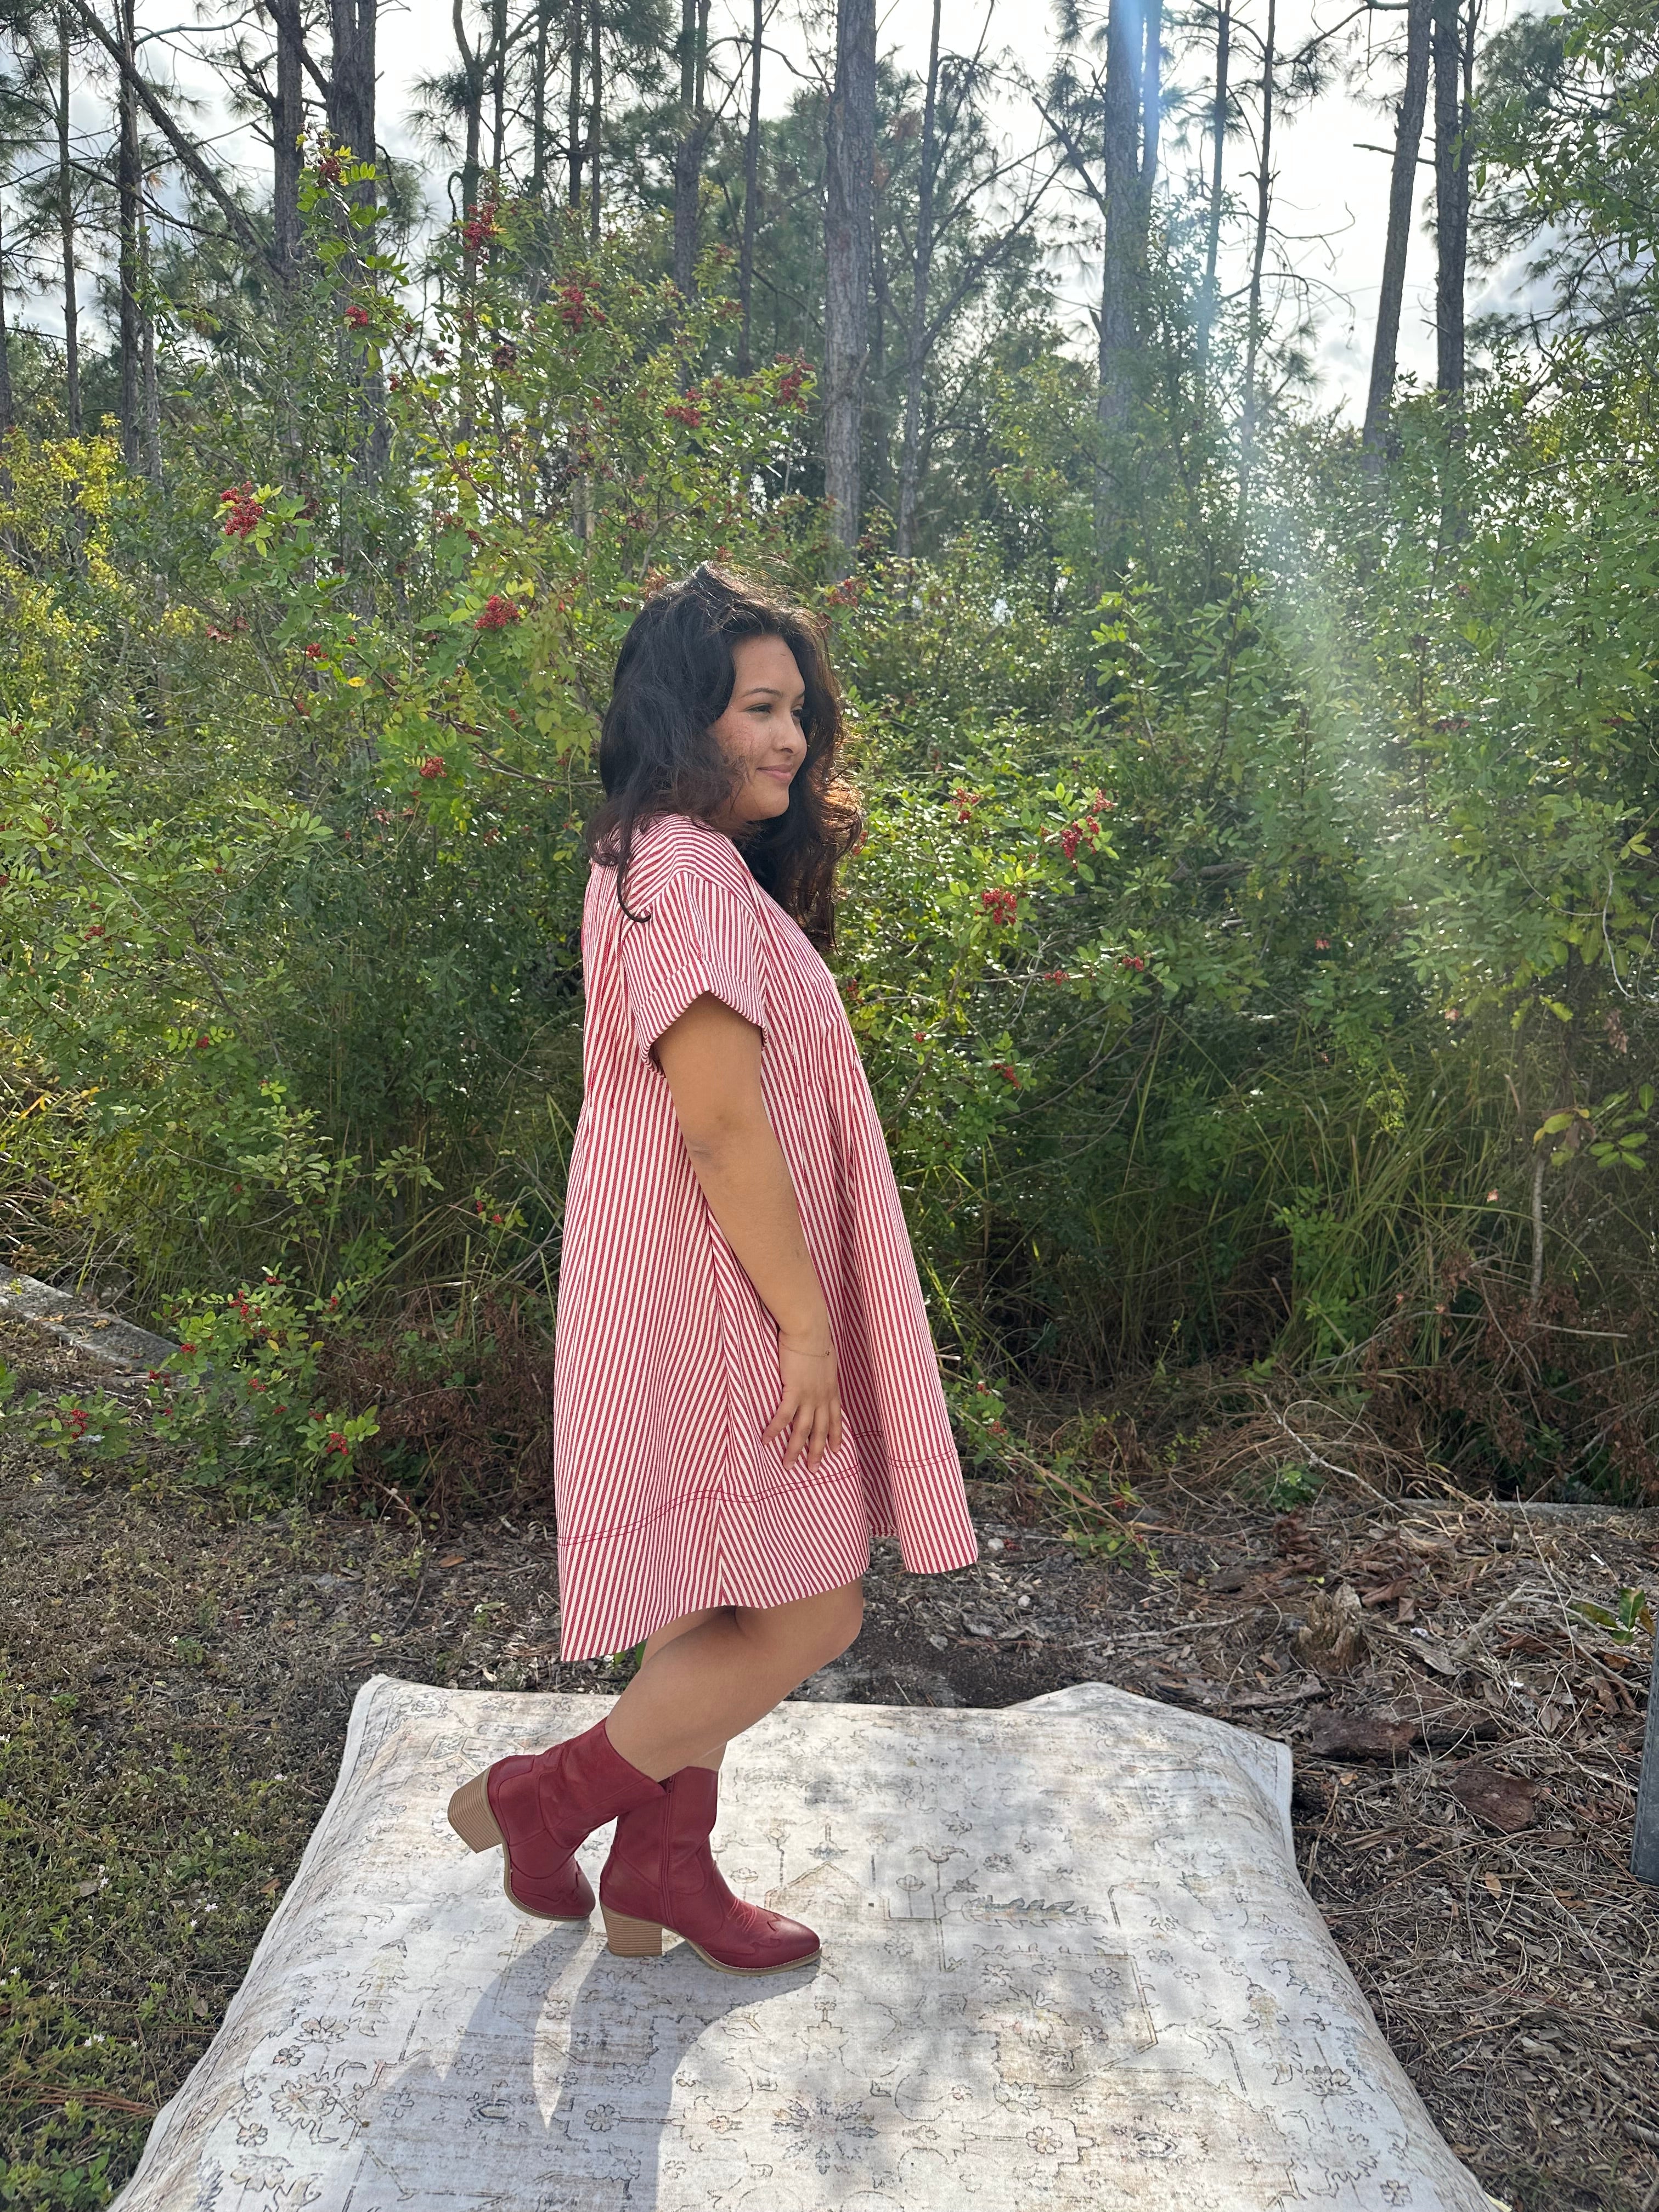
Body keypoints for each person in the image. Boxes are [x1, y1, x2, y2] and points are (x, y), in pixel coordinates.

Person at [448, 563, 978, 1976]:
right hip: (715, 1288)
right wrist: (807, 1326)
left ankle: (659, 1874)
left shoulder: (667, 860)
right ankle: (542, 1802)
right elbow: (721, 1121)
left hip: (679, 1274)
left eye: (798, 710)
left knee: (712, 1591)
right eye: (757, 707)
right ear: (686, 716)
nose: (790, 738)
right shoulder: (683, 870)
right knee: (813, 1606)